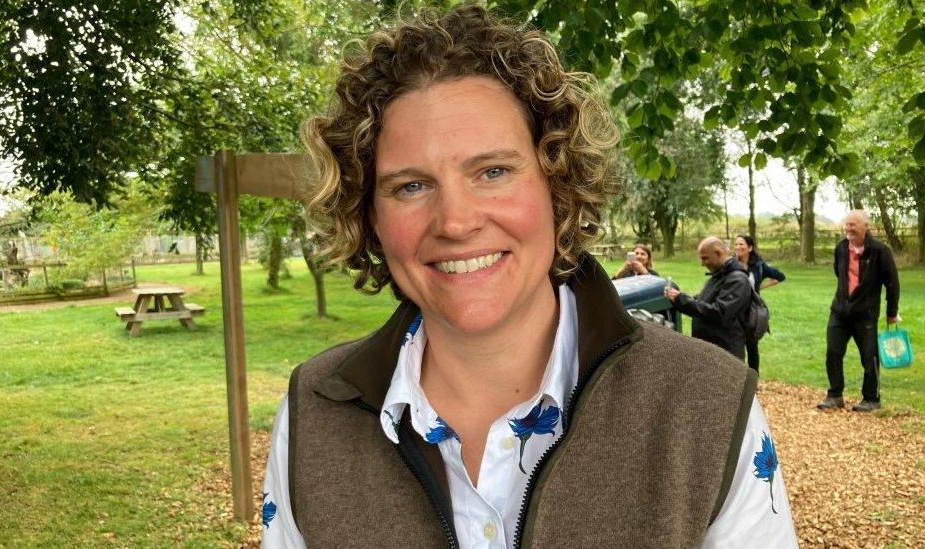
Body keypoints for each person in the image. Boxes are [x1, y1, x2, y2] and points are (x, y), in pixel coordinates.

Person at [262, 6, 796, 547]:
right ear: (370, 217)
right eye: (410, 186)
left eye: (492, 172)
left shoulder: (706, 404)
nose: (455, 222)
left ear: (556, 186)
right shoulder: (314, 413)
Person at [817, 210, 899, 413]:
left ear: (865, 227)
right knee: (833, 352)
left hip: (866, 314)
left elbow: (892, 284)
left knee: (869, 356)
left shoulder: (880, 251)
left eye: (853, 224)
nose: (848, 228)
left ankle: (872, 398)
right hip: (839, 311)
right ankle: (835, 395)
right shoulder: (841, 248)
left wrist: (891, 313)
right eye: (847, 224)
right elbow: (839, 272)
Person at [664, 237, 753, 361]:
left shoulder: (737, 280)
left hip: (725, 354)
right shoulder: (719, 275)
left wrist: (681, 299)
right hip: (711, 350)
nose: (702, 263)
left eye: (705, 258)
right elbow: (703, 301)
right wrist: (677, 298)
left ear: (719, 253)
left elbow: (720, 313)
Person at [734, 235, 786, 372]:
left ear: (750, 248)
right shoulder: (731, 264)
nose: (738, 247)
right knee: (735, 348)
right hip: (733, 311)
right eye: (736, 244)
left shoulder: (759, 266)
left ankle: (753, 382)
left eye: (741, 244)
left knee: (752, 348)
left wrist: (760, 287)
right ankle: (736, 381)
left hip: (751, 312)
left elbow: (780, 276)